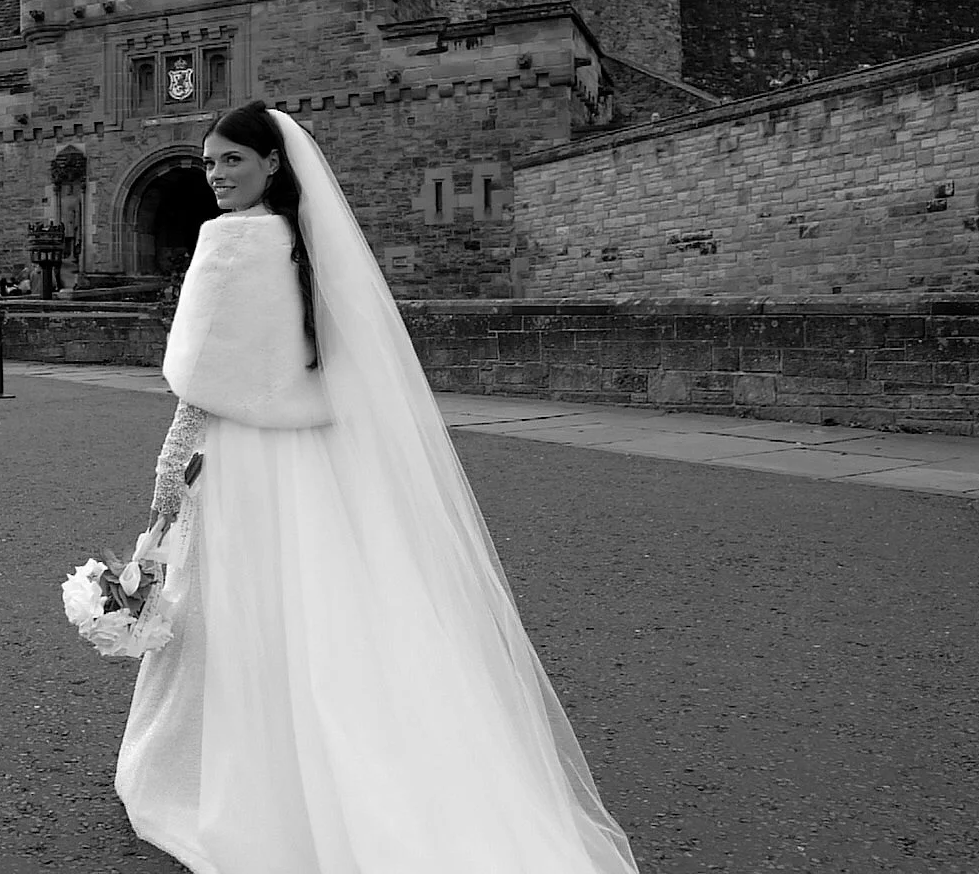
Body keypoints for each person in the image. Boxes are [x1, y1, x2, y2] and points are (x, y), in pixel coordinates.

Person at [115, 101, 639, 873]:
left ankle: (254, 781)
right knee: (329, 607)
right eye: (208, 163)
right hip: (315, 456)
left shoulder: (227, 241)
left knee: (245, 611)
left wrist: (169, 466)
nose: (217, 175)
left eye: (231, 159)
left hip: (247, 458)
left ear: (270, 164)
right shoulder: (305, 242)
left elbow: (201, 374)